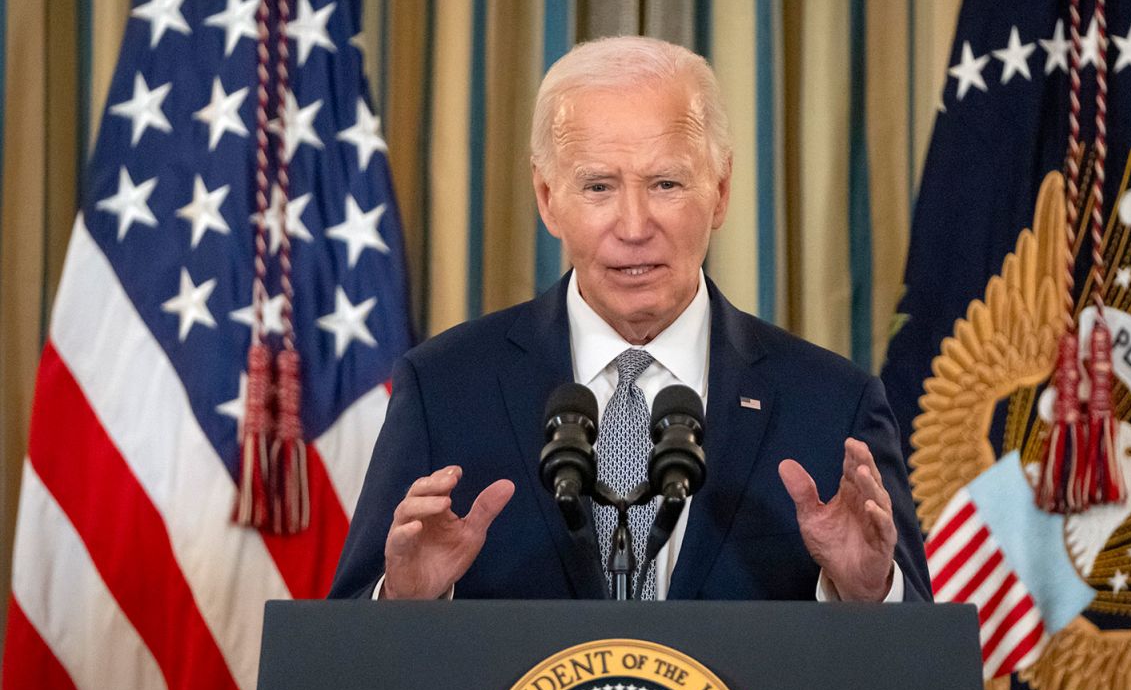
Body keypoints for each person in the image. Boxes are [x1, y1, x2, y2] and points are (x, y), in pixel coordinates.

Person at [329, 36, 930, 603]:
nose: (635, 225)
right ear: (547, 198)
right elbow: (348, 650)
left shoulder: (832, 406)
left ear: (720, 192)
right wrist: (408, 601)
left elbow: (916, 672)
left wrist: (867, 594)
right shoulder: (444, 390)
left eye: (666, 183)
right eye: (598, 187)